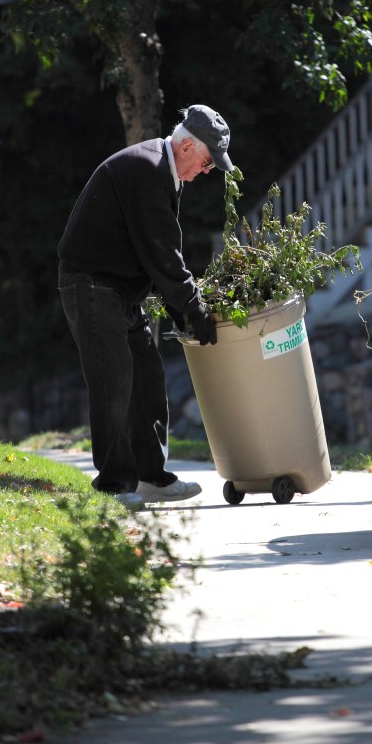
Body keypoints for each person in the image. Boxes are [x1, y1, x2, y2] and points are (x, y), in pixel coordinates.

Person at [58, 104, 233, 510]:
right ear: (187, 147)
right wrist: (193, 310)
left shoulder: (164, 171)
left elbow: (154, 254)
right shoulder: (149, 169)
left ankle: (151, 476)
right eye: (208, 161)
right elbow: (164, 254)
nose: (207, 171)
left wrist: (182, 309)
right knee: (114, 380)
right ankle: (114, 486)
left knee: (148, 377)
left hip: (119, 288)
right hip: (91, 283)